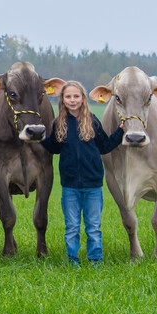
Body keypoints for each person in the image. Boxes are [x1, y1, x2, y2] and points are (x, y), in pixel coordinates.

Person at [40, 80, 124, 266]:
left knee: (93, 227)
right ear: (62, 99)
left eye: (76, 96)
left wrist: (120, 132)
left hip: (93, 186)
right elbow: (54, 147)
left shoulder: (93, 121)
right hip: (70, 186)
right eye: (68, 96)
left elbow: (104, 146)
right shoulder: (59, 123)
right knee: (72, 227)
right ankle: (73, 260)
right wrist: (40, 138)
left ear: (83, 99)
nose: (72, 100)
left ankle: (96, 260)